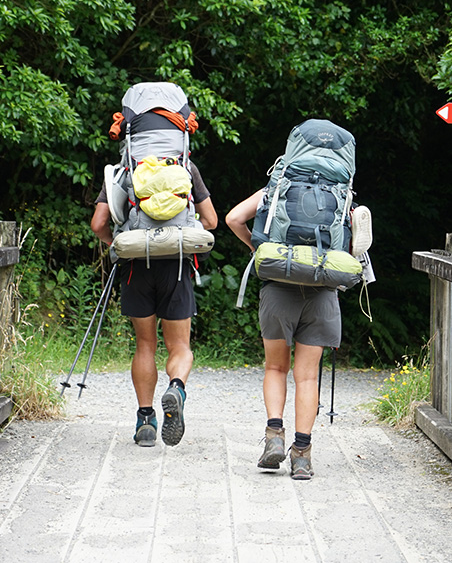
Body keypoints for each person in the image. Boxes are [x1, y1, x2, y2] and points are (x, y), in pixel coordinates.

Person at [91, 160, 217, 448]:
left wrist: (119, 244)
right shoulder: (186, 167)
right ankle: (176, 390)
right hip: (176, 263)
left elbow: (98, 223)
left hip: (136, 264)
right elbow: (210, 221)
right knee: (180, 346)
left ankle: (145, 421)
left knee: (145, 344)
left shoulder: (126, 169)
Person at [225, 189, 340, 480]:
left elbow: (233, 218)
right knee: (308, 376)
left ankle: (274, 435)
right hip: (321, 289)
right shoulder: (338, 190)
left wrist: (259, 249)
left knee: (276, 367)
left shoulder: (277, 186)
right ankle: (301, 456)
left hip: (277, 287)